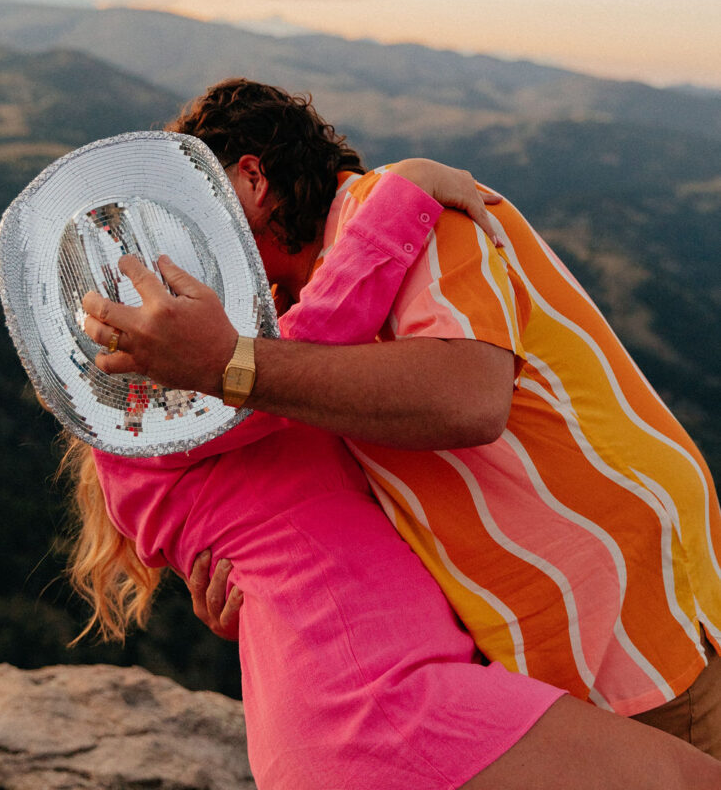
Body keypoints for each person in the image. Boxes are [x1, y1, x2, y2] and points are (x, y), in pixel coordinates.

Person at [83, 80, 721, 761]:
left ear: (252, 179)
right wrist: (255, 585)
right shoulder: (292, 304)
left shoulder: (407, 216)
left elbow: (467, 400)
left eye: (193, 215)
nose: (184, 252)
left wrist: (227, 366)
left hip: (618, 607)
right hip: (538, 629)